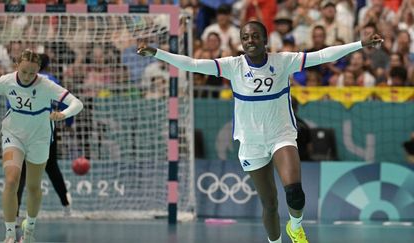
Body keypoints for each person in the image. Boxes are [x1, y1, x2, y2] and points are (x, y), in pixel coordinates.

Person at [137, 21, 383, 243]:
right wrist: (157, 53)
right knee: (270, 204)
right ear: (241, 42)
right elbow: (191, 64)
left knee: (294, 192)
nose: (250, 41)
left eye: (255, 36)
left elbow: (321, 56)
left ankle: (295, 227)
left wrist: (360, 44)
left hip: (281, 135)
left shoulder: (283, 61)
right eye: (245, 37)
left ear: (265, 40)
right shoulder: (232, 66)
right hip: (251, 143)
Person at [0, 49, 84, 243]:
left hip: (39, 138)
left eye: (32, 73)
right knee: (11, 180)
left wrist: (64, 114)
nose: (28, 76)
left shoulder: (46, 85)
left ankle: (29, 229)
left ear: (38, 70)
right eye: (24, 72)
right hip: (13, 135)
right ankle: (10, 234)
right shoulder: (6, 81)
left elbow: (77, 103)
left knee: (34, 186)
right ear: (17, 66)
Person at [16, 53, 73, 220]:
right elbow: (66, 103)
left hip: (23, 129)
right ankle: (66, 206)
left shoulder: (20, 79)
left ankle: (16, 214)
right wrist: (68, 123)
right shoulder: (52, 80)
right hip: (45, 129)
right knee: (52, 167)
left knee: (22, 170)